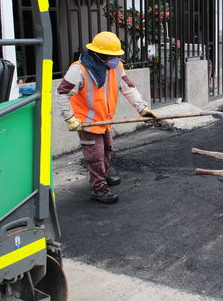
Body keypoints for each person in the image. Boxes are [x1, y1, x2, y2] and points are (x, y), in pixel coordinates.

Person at [57, 31, 157, 204]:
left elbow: (128, 87)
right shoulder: (79, 69)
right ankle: (98, 188)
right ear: (100, 55)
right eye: (111, 56)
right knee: (95, 155)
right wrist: (69, 118)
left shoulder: (116, 66)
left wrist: (142, 108)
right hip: (87, 122)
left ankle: (105, 175)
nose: (115, 59)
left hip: (105, 119)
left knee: (107, 148)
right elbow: (62, 94)